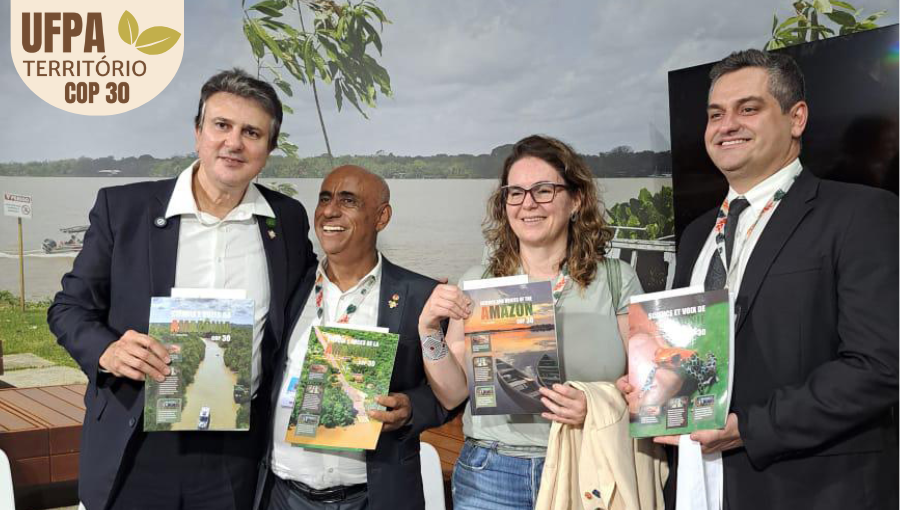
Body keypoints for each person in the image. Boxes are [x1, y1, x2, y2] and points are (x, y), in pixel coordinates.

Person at [619, 49, 898, 509]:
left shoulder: (861, 214)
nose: (726, 125)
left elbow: (880, 366)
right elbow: (693, 356)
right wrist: (652, 388)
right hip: (699, 484)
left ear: (796, 118)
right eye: (715, 114)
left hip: (813, 488)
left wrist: (748, 429)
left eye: (748, 109)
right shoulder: (696, 235)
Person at [48, 69, 317, 510]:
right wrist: (107, 351)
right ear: (198, 133)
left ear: (268, 149)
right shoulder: (124, 209)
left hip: (237, 452)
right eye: (221, 126)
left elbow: (312, 304)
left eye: (251, 132)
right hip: (136, 439)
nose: (234, 142)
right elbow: (68, 308)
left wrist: (412, 299)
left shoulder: (285, 220)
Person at [417, 135, 645, 509]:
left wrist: (596, 404)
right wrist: (429, 330)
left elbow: (648, 387)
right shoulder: (480, 283)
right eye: (516, 193)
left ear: (576, 199)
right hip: (492, 471)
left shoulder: (617, 279)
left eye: (543, 190)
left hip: (586, 463)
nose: (528, 204)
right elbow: (453, 393)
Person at [256, 165, 454, 510]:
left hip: (373, 496)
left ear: (382, 216)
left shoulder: (421, 295)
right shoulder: (286, 286)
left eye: (348, 201)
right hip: (282, 495)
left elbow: (449, 396)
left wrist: (410, 408)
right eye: (324, 199)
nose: (330, 211)